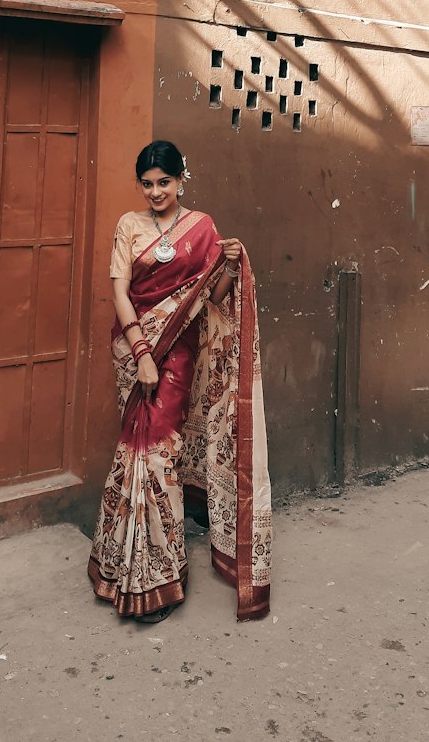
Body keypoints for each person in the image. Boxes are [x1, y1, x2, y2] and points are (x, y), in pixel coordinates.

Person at [88, 140, 272, 624]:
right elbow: (119, 292)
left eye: (163, 182)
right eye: (147, 184)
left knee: (155, 452)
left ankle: (157, 578)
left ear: (180, 179)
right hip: (135, 348)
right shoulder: (129, 226)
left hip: (180, 350)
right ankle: (120, 562)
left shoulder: (202, 227)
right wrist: (142, 353)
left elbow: (214, 296)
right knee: (134, 447)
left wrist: (231, 262)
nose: (155, 192)